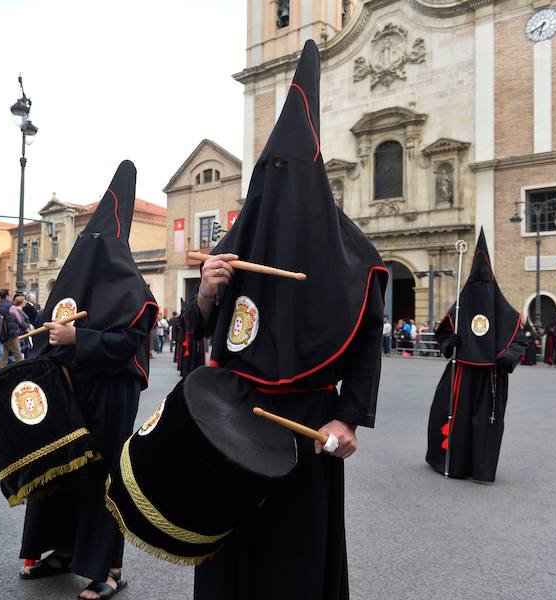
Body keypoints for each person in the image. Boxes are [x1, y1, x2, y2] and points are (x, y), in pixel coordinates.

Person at [186, 41, 387, 600]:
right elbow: (198, 327)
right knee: (228, 549)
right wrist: (205, 294)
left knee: (294, 559)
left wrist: (347, 419)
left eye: (291, 171)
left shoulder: (352, 253)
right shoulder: (237, 240)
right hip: (234, 412)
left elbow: (368, 339)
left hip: (306, 424)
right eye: (271, 170)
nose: (279, 181)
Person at [19, 160, 157, 600]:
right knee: (59, 472)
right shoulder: (71, 284)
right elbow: (47, 329)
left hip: (111, 393)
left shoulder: (134, 289)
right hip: (69, 390)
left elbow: (127, 343)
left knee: (102, 478)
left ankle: (110, 569)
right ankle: (60, 552)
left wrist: (80, 337)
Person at [425, 229, 527, 482]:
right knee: (448, 414)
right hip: (461, 370)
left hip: (491, 375)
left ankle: (480, 468)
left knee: (485, 423)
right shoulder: (461, 304)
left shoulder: (507, 312)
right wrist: (452, 342)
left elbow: (521, 341)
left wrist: (507, 356)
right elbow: (444, 336)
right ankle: (451, 463)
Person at [0, 288, 23, 364]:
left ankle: (0, 368)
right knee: (18, 354)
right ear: (7, 295)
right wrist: (24, 327)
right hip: (11, 333)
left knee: (5, 353)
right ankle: (21, 371)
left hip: (2, 333)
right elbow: (19, 319)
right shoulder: (10, 306)